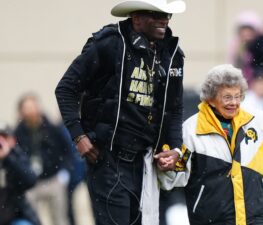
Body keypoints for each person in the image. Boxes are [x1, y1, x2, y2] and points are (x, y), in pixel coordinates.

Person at [55, 0, 186, 224]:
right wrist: (79, 136)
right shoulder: (109, 44)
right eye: (155, 15)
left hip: (146, 164)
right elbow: (66, 88)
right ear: (136, 18)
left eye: (167, 15)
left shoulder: (172, 54)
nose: (163, 20)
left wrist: (176, 150)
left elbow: (174, 109)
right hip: (108, 159)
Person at [158, 64, 263, 225]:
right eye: (227, 97)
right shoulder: (191, 129)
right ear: (211, 98)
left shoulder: (257, 121)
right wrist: (167, 165)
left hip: (253, 219)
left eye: (237, 96)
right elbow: (174, 177)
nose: (234, 102)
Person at [15, 94, 72, 225]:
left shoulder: (52, 128)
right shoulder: (18, 133)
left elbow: (67, 151)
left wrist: (65, 172)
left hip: (54, 179)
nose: (30, 111)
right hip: (31, 184)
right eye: (26, 108)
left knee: (60, 219)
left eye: (32, 107)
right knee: (31, 219)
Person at [0, 122, 40, 225]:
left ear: (12, 140)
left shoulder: (16, 156)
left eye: (4, 137)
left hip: (15, 217)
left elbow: (31, 180)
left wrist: (7, 157)